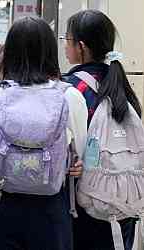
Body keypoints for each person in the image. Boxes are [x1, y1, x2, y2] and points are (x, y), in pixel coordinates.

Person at [0, 17, 87, 250]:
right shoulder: (69, 97)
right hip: (51, 209)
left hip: (4, 205)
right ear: (50, 52)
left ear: (9, 53)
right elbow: (78, 155)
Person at [62, 10, 142, 250]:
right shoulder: (122, 87)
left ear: (81, 46)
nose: (66, 46)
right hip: (122, 202)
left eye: (67, 40)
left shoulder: (71, 89)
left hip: (85, 203)